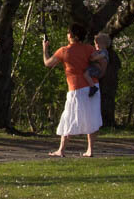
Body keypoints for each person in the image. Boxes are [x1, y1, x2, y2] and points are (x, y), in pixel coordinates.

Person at [43, 24, 102, 158]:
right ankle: (90, 150)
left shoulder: (64, 51)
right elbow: (98, 58)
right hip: (93, 85)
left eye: (68, 33)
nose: (67, 35)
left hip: (76, 88)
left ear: (72, 35)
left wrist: (45, 49)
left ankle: (61, 150)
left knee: (69, 116)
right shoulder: (88, 48)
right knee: (92, 117)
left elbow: (48, 63)